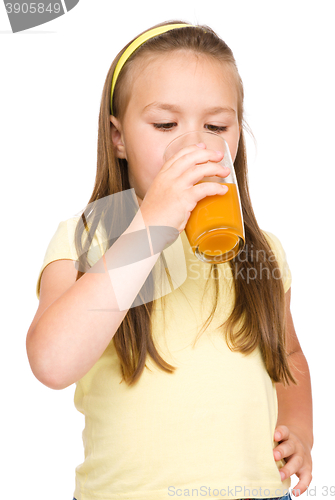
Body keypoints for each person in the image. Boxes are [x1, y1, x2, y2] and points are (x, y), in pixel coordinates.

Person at [26, 20, 313, 500]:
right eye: (165, 125)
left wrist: (299, 430)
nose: (196, 145)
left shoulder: (261, 251)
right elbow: (52, 362)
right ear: (118, 138)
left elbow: (289, 356)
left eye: (216, 126)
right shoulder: (90, 237)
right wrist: (151, 226)